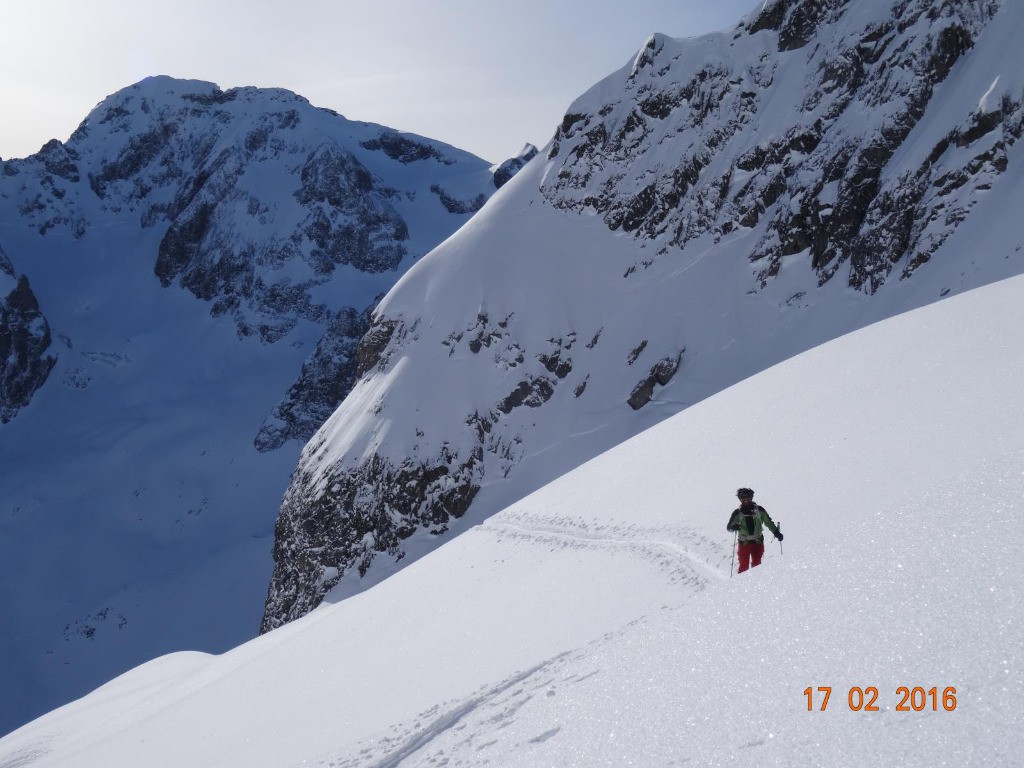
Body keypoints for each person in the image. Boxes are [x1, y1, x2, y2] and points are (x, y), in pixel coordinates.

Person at [727, 487, 782, 573]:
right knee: (744, 567)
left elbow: (768, 522)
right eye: (742, 498)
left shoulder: (759, 510)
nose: (745, 500)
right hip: (745, 544)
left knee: (757, 566)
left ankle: (755, 584)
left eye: (747, 497)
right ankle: (741, 585)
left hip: (757, 543)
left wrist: (776, 532)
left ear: (751, 497)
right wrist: (733, 527)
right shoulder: (737, 513)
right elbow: (729, 527)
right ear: (740, 499)